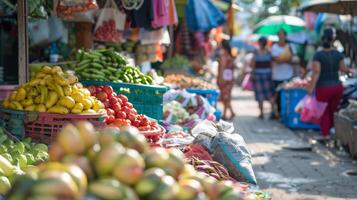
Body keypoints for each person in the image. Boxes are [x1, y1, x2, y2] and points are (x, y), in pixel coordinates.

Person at [307, 28, 351, 140]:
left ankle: (326, 135)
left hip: (323, 88)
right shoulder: (338, 54)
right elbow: (343, 69)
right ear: (333, 39)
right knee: (332, 111)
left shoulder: (318, 55)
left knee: (324, 112)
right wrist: (351, 71)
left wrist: (311, 87)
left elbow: (316, 72)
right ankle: (332, 133)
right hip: (337, 87)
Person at [271, 29, 294, 118]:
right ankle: (279, 113)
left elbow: (292, 59)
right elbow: (274, 59)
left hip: (288, 75)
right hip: (277, 76)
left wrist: (283, 59)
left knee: (286, 96)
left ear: (285, 36)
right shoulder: (274, 47)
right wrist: (284, 59)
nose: (281, 36)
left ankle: (285, 114)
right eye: (279, 34)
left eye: (282, 34)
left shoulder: (290, 46)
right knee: (277, 96)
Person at [250, 37, 274, 119]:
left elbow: (252, 64)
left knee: (260, 95)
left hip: (258, 75)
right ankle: (272, 112)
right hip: (267, 75)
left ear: (260, 43)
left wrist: (252, 73)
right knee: (270, 95)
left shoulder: (256, 52)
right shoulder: (269, 52)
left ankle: (261, 113)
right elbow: (272, 65)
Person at [217, 40, 236, 120]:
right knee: (226, 96)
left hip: (224, 79)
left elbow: (222, 67)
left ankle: (229, 113)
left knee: (225, 97)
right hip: (229, 79)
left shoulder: (223, 55)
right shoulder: (229, 55)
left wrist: (220, 78)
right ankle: (228, 113)